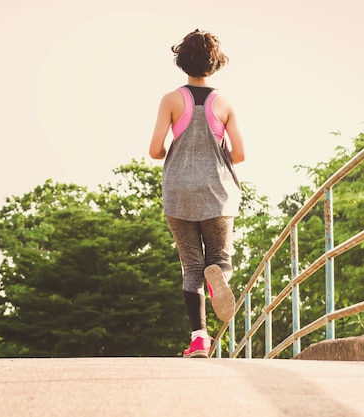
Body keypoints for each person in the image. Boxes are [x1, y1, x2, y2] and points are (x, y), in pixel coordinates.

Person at [148, 29, 245, 358]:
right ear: (215, 64)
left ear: (182, 60)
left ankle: (199, 339)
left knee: (191, 267)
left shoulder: (171, 100)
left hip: (179, 192)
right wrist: (212, 156)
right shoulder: (224, 103)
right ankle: (220, 277)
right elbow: (240, 153)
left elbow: (154, 150)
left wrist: (177, 152)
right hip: (217, 193)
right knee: (218, 261)